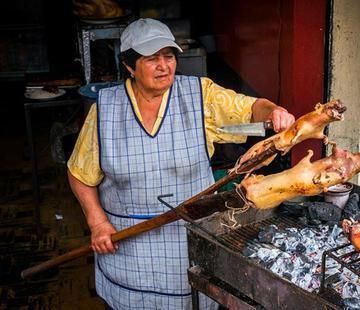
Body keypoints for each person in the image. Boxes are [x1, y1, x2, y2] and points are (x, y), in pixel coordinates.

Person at [67, 18, 295, 309]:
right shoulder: (105, 111)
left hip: (188, 241)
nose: (164, 66)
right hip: (126, 247)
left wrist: (274, 111)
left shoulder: (200, 96)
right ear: (128, 65)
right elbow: (80, 174)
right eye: (152, 59)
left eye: (169, 56)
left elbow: (252, 108)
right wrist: (97, 222)